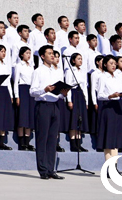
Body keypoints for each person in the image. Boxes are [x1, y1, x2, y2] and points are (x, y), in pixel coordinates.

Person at [30, 45, 69, 180]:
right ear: (42, 56)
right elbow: (32, 92)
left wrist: (63, 94)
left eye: (53, 53)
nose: (52, 56)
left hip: (55, 106)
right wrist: (44, 90)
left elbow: (58, 93)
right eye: (49, 53)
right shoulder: (38, 71)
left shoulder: (57, 72)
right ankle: (43, 170)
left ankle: (51, 169)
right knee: (42, 139)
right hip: (43, 105)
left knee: (53, 139)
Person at [96, 55, 122, 166]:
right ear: (105, 64)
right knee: (109, 138)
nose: (113, 66)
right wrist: (110, 96)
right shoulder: (102, 77)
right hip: (108, 107)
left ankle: (115, 166)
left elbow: (121, 93)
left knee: (117, 138)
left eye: (115, 63)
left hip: (118, 107)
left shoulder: (117, 78)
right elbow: (100, 95)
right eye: (111, 63)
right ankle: (109, 167)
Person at [64, 52, 89, 152]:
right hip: (73, 94)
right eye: (78, 59)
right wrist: (69, 100)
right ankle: (73, 143)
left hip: (80, 95)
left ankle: (79, 143)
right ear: (73, 60)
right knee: (74, 119)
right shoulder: (70, 71)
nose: (80, 61)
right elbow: (68, 86)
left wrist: (86, 101)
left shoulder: (82, 71)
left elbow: (84, 87)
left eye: (81, 59)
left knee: (80, 118)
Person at [12, 46, 35, 151]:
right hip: (22, 89)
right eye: (26, 53)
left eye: (30, 53)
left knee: (29, 116)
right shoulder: (18, 66)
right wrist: (16, 96)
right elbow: (16, 81)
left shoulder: (31, 66)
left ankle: (27, 141)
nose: (28, 55)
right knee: (22, 116)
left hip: (30, 91)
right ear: (22, 54)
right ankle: (21, 142)